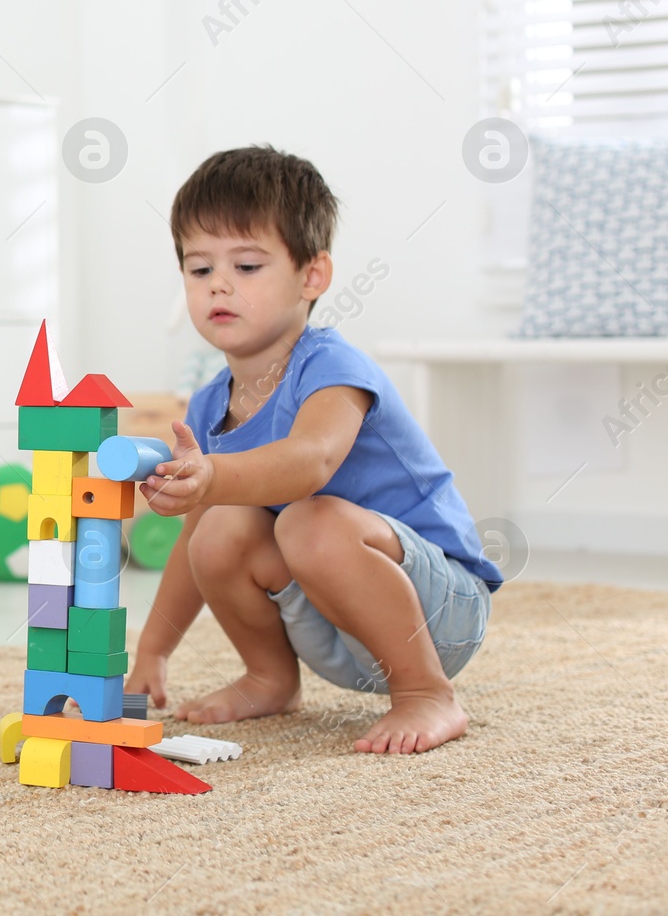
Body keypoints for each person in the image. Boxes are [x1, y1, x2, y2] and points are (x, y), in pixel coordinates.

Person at [125, 145, 501, 754]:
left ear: (312, 276)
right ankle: (270, 678)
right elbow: (194, 544)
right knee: (217, 529)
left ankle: (426, 693)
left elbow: (311, 462)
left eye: (246, 267)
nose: (218, 283)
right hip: (332, 625)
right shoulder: (206, 407)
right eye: (199, 270)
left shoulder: (331, 366)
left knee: (308, 518)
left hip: (439, 616)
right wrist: (153, 651)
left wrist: (213, 475)